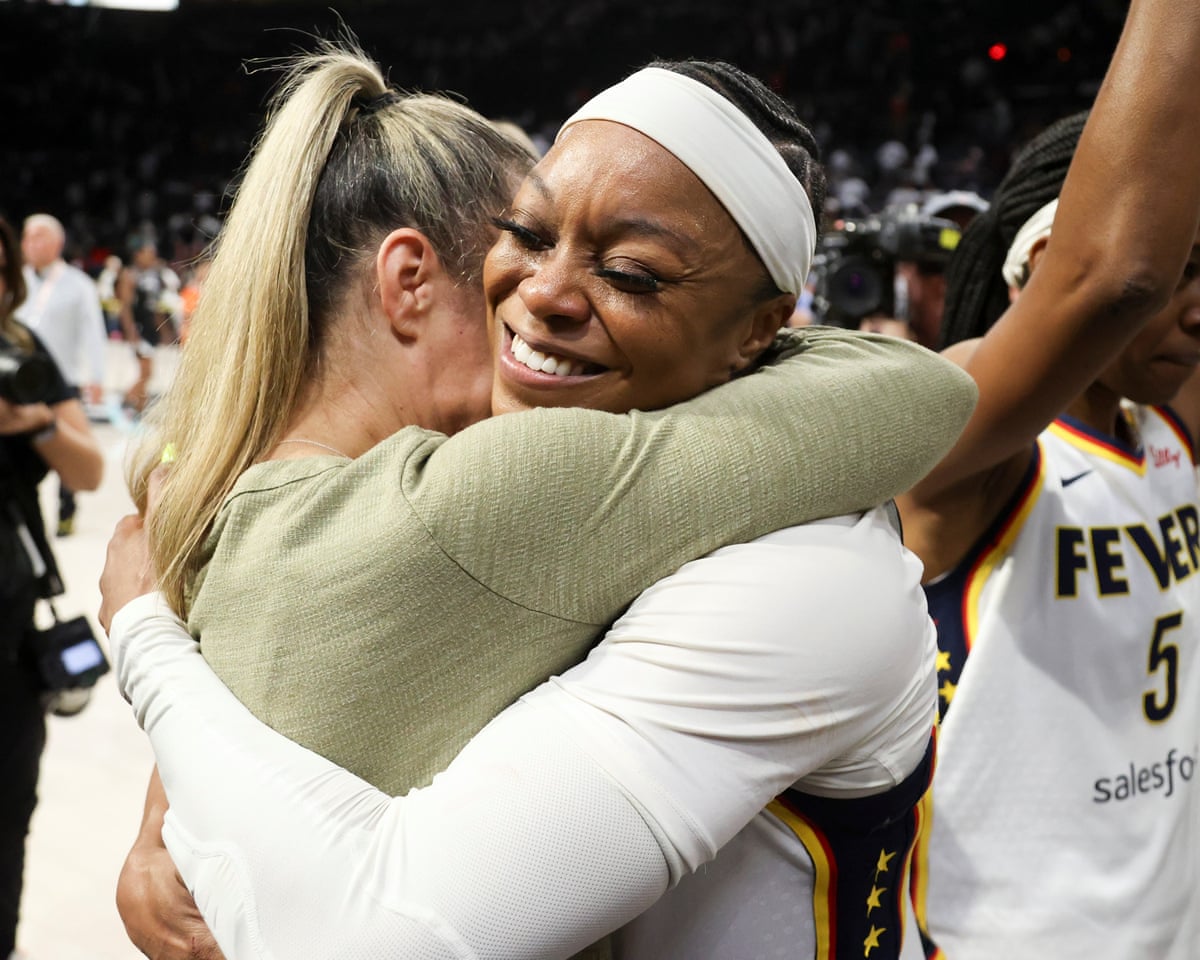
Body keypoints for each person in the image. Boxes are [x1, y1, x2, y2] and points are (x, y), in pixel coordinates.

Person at [101, 48, 977, 960]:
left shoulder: (808, 567)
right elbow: (928, 393)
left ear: (762, 329)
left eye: (632, 273)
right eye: (525, 234)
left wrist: (152, 662)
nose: (546, 294)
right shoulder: (490, 500)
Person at [887, 0, 1200, 954]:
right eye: (1182, 272)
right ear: (1036, 274)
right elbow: (1114, 274)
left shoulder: (1166, 436)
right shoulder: (967, 447)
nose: (1191, 307)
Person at [0, 215, 104, 960]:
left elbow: (89, 469)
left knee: (8, 810)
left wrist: (31, 422)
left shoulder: (23, 355)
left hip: (10, 632)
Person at [17, 213, 108, 535]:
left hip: (63, 381)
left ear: (58, 242)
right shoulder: (16, 281)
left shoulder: (78, 285)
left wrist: (96, 376)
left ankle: (67, 510)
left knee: (68, 445)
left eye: (39, 236)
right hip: (20, 380)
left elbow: (93, 332)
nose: (30, 243)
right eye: (27, 236)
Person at [116, 237, 175, 414]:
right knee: (146, 371)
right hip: (138, 328)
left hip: (150, 329)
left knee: (147, 373)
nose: (152, 255)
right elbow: (125, 306)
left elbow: (155, 306)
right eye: (148, 252)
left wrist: (165, 331)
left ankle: (140, 408)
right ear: (138, 254)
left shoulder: (153, 275)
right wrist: (130, 331)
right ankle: (125, 400)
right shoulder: (129, 275)